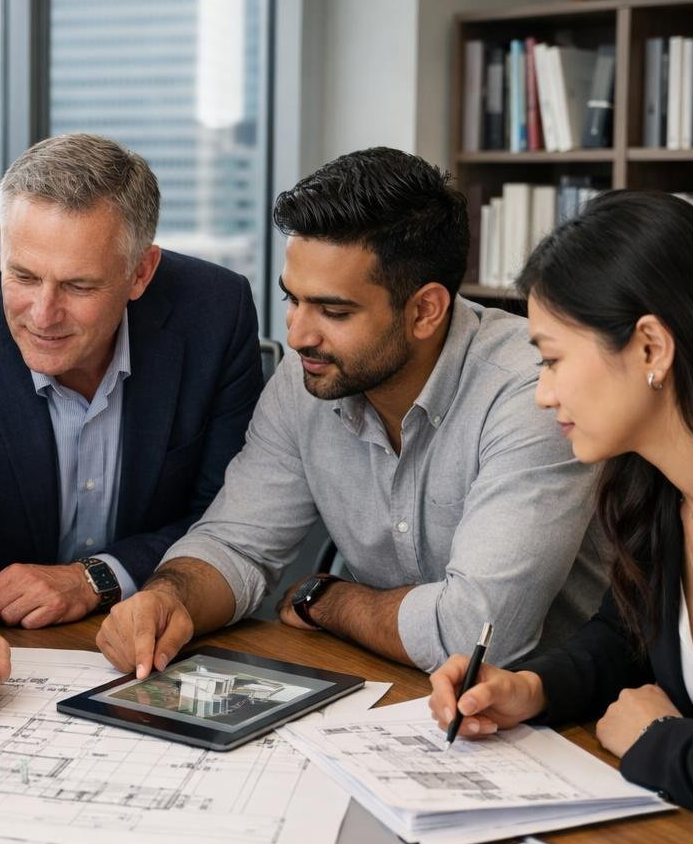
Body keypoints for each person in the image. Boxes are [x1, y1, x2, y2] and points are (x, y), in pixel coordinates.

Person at [428, 191, 693, 844]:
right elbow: (624, 640)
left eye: (552, 357)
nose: (543, 393)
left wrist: (653, 739)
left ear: (651, 346)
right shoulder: (658, 481)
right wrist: (531, 688)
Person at [98, 147, 607, 677]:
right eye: (293, 300)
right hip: (388, 689)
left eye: (333, 311)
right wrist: (168, 598)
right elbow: (236, 544)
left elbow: (477, 636)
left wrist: (329, 600)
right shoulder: (309, 381)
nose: (298, 336)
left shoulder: (532, 392)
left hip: (554, 716)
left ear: (425, 310)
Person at [0, 133, 264, 704]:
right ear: (3, 245)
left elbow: (229, 515)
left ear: (140, 272)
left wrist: (96, 577)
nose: (43, 314)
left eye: (79, 286)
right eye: (23, 276)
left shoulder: (214, 315)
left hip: (152, 650)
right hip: (1, 657)